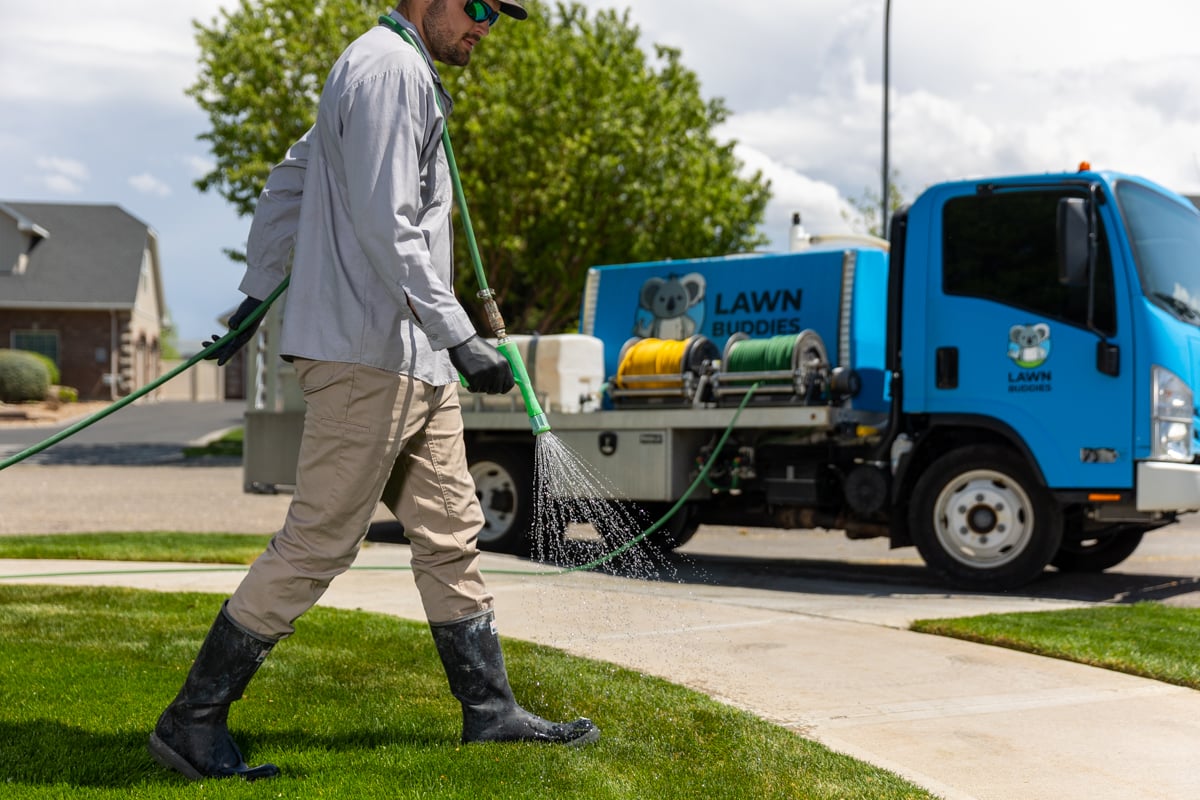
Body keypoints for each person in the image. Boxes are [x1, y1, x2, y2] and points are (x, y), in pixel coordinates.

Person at [148, 0, 599, 782]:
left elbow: (288, 183)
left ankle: (490, 713)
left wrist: (257, 294)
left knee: (453, 531)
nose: (486, 26)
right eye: (478, 7)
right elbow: (388, 222)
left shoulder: (389, 68)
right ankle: (192, 720)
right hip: (369, 355)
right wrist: (459, 332)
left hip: (410, 357)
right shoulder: (389, 68)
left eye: (500, 14)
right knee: (320, 541)